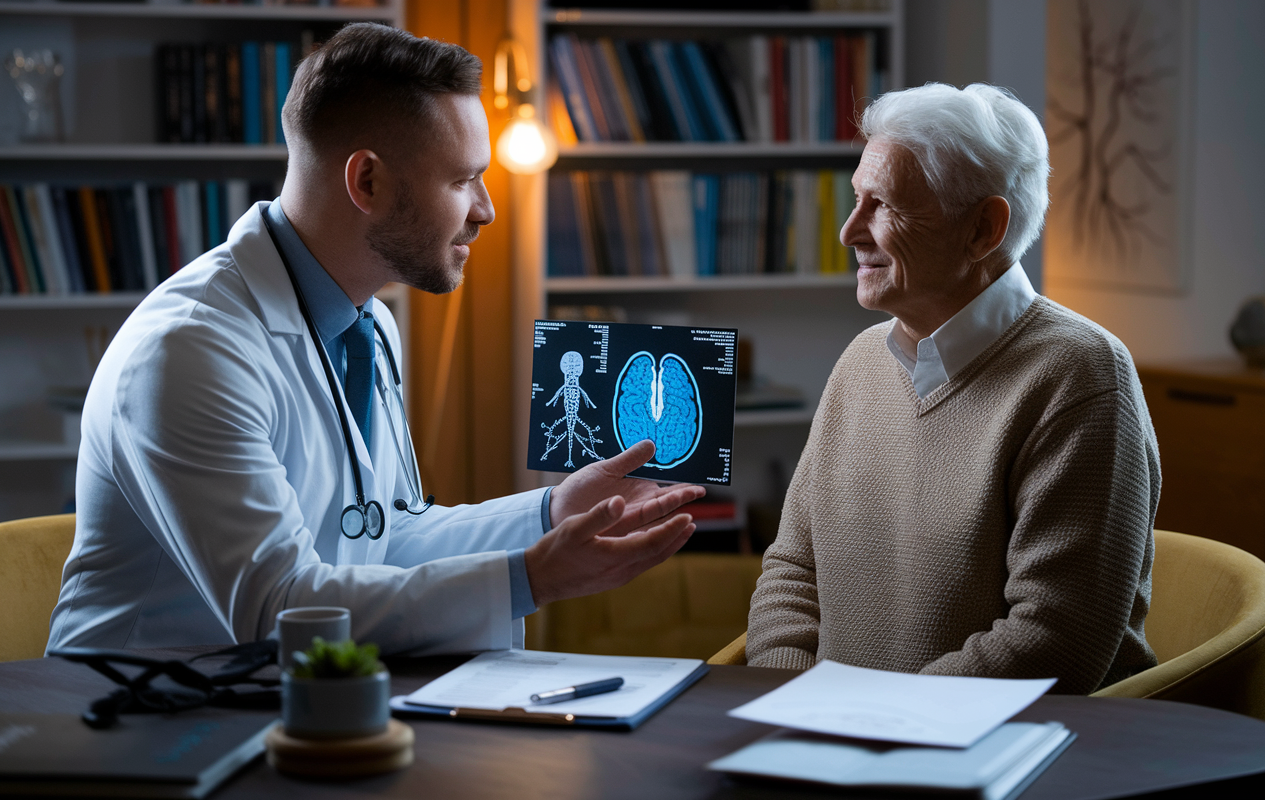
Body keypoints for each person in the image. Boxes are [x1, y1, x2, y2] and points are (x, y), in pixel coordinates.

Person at [47, 25, 702, 653]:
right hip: (132, 727)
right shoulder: (191, 352)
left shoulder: (368, 325)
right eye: (462, 179)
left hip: (273, 703)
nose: (486, 209)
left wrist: (552, 512)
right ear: (366, 181)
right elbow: (279, 609)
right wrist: (531, 578)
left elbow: (383, 535)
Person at [746, 83, 1160, 694]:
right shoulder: (860, 361)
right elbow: (792, 572)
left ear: (983, 229)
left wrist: (867, 725)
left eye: (882, 205)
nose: (848, 232)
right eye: (856, 199)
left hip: (1017, 763)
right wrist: (790, 702)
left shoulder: (1083, 375)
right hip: (835, 750)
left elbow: (1053, 640)